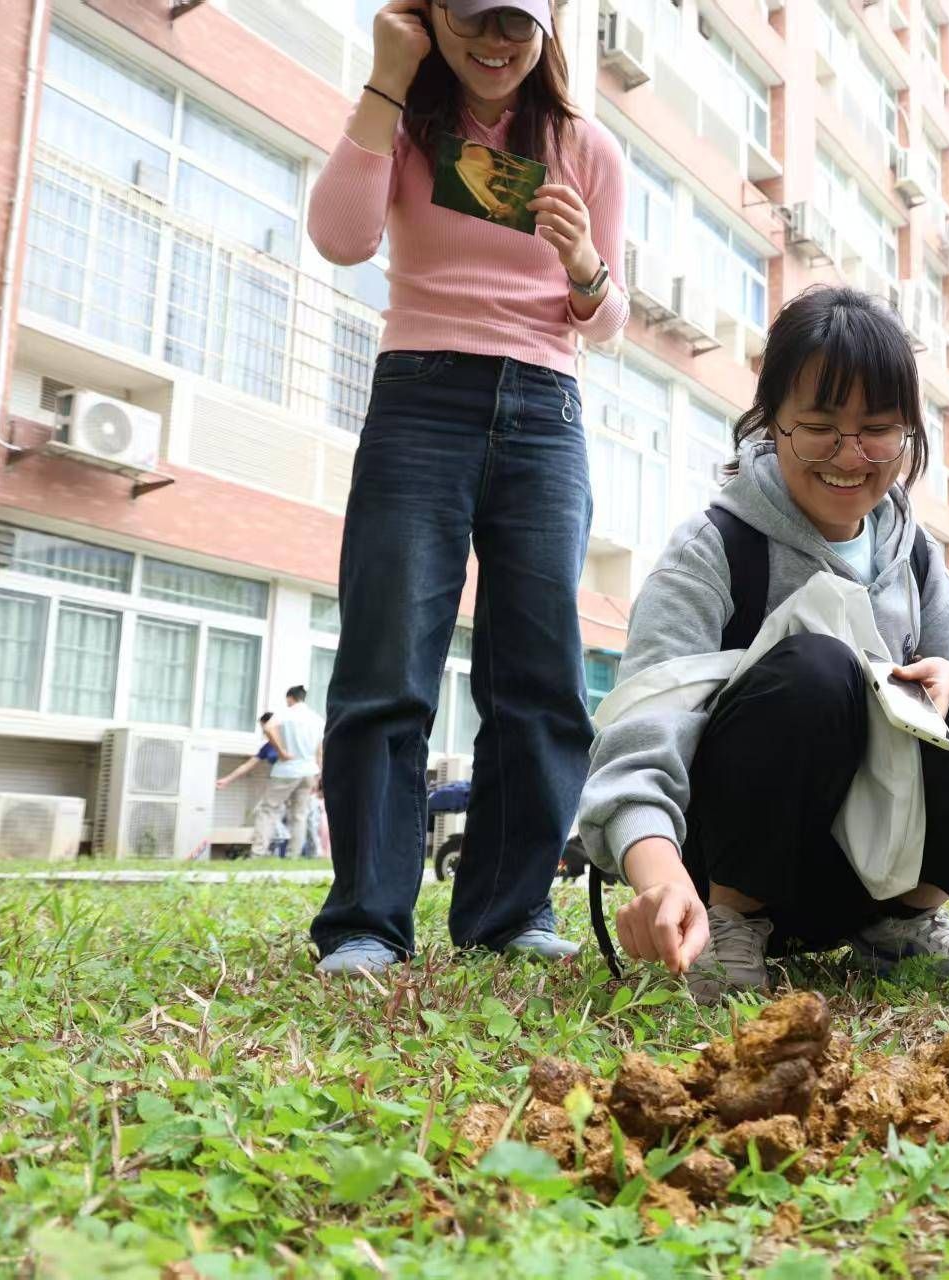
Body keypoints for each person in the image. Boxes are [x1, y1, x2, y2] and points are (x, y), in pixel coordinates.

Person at [578, 287, 949, 1003]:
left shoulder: (915, 555)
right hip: (723, 870)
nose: (849, 456)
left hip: (869, 870)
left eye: (878, 430)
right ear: (771, 421)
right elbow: (642, 731)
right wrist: (659, 878)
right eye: (818, 427)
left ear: (908, 432)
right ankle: (732, 927)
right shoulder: (715, 548)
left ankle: (901, 927)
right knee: (817, 667)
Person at [305, 0, 629, 975]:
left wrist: (583, 262)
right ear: (432, 15)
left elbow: (606, 320)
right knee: (387, 660)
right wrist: (387, 74)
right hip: (421, 395)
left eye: (517, 24)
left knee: (540, 673)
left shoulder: (586, 147)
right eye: (475, 18)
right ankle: (367, 920)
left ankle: (509, 910)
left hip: (546, 407)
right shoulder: (404, 122)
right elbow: (340, 238)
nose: (496, 44)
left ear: (547, 29)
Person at [248, 687, 324, 862]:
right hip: (309, 771)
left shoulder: (286, 713)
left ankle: (258, 853)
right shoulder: (317, 719)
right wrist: (319, 775)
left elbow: (268, 727)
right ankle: (293, 856)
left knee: (268, 809)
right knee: (299, 815)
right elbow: (319, 751)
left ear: (290, 698)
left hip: (287, 770)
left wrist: (281, 751)